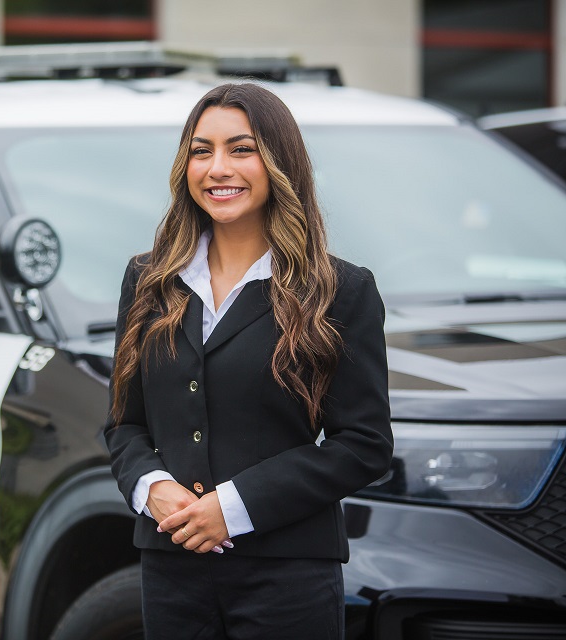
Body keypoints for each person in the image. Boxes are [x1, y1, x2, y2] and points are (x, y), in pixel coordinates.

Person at [104, 82, 394, 639]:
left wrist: (232, 507)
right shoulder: (148, 281)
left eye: (241, 149)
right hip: (171, 568)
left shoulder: (339, 290)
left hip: (288, 577)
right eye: (201, 150)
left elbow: (365, 445)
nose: (218, 168)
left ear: (280, 162)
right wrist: (151, 487)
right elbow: (124, 424)